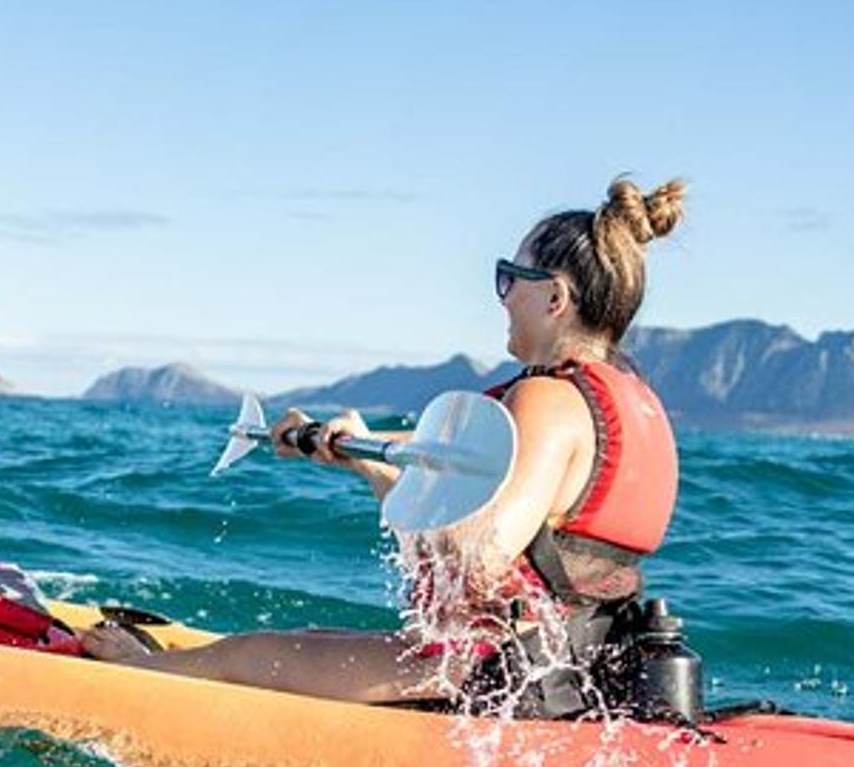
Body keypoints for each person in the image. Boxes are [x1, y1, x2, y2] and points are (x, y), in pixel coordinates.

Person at [81, 175, 686, 717]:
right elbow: (465, 482)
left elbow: (477, 560)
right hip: (575, 669)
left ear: (555, 299)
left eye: (511, 279)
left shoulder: (545, 401)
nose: (502, 296)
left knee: (246, 655)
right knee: (310, 637)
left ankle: (129, 675)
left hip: (495, 674)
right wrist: (357, 446)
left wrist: (383, 478)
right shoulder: (632, 403)